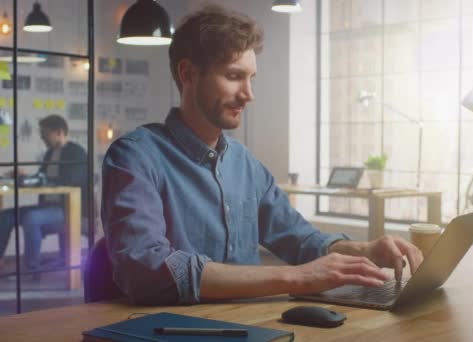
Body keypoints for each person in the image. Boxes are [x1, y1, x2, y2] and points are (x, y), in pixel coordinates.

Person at [101, 4, 423, 305]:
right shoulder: (135, 156)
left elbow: (300, 240)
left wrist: (365, 250)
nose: (248, 95)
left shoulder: (245, 165)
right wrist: (294, 278)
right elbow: (143, 267)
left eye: (251, 78)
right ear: (188, 74)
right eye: (233, 76)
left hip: (257, 324)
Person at [0, 114, 87, 272]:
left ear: (59, 132)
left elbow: (70, 181)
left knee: (31, 218)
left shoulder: (77, 153)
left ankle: (31, 268)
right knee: (5, 216)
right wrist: (23, 177)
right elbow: (41, 178)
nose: (42, 137)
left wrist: (44, 179)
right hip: (47, 206)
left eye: (45, 133)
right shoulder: (49, 154)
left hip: (66, 209)